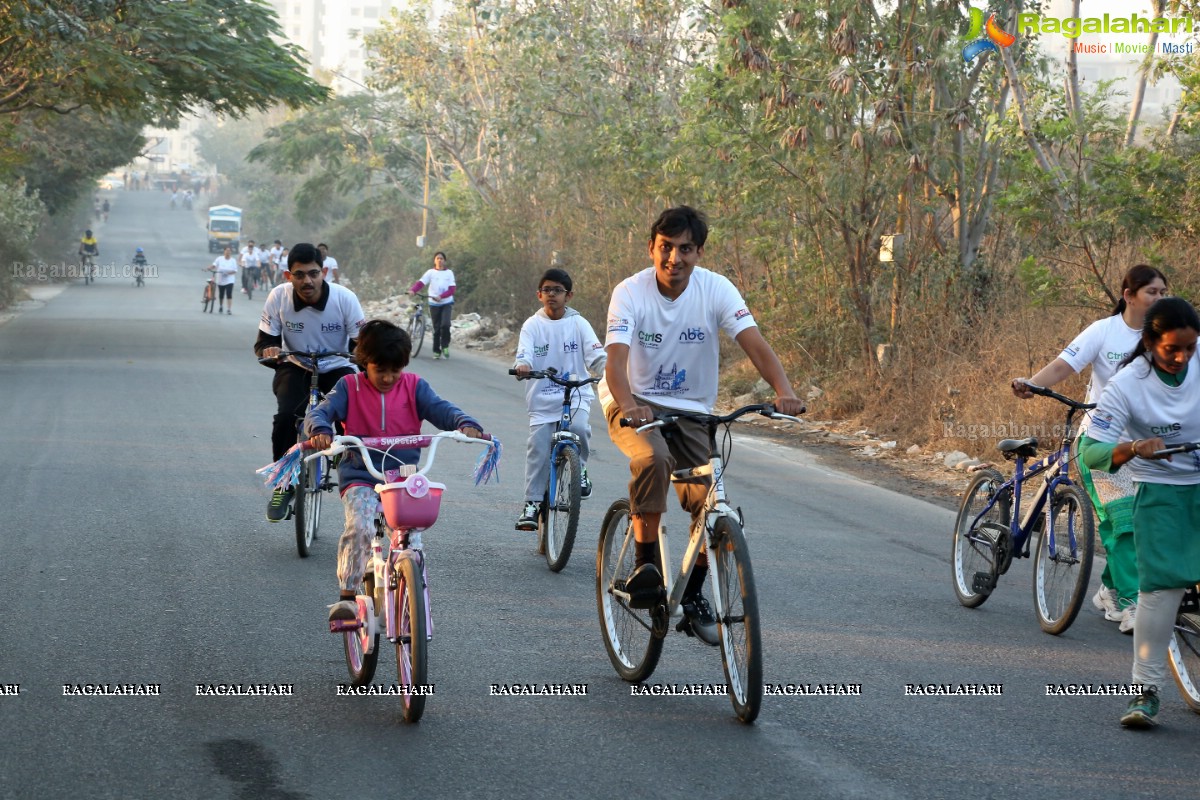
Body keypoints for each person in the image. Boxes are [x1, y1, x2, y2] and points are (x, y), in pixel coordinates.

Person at [600, 205, 804, 644]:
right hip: (632, 400)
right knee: (653, 458)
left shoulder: (717, 289)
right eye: (666, 248)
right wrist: (629, 404)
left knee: (706, 503)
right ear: (651, 248)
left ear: (700, 252)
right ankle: (645, 566)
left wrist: (783, 390)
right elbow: (615, 362)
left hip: (692, 407)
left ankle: (692, 595)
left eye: (686, 249)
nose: (675, 258)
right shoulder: (630, 292)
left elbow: (755, 344)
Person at [1011, 265, 1169, 633]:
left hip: (1151, 446)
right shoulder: (1105, 331)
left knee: (1148, 522)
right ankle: (1131, 603)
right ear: (1129, 296)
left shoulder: (1169, 334)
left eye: (1164, 293)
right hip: (1103, 441)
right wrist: (1030, 384)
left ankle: (1112, 589)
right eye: (1152, 293)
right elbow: (1064, 366)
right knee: (1124, 517)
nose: (1160, 299)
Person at [304, 319, 484, 624]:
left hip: (403, 477)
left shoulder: (414, 386)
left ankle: (408, 588)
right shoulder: (350, 386)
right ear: (365, 363)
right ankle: (347, 597)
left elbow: (442, 409)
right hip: (361, 475)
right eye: (380, 369)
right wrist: (321, 429)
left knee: (408, 538)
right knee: (360, 527)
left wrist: (464, 423)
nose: (388, 377)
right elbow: (320, 412)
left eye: (394, 370)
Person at [1079, 296, 1200, 727]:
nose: (1182, 357)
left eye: (1190, 347)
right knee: (1161, 591)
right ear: (1150, 342)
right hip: (1164, 491)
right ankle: (1145, 693)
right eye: (1172, 349)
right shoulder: (1128, 384)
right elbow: (1091, 450)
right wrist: (1132, 447)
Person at [255, 242, 366, 522]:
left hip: (337, 365)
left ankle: (348, 461)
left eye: (314, 273)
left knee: (351, 414)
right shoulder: (278, 297)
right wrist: (269, 352)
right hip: (296, 365)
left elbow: (361, 344)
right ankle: (284, 483)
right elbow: (265, 341)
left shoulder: (345, 298)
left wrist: (365, 362)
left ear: (324, 271)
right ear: (288, 276)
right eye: (300, 274)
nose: (307, 281)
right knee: (284, 417)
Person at [512, 268, 606, 530]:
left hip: (575, 393)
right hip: (542, 398)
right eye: (547, 290)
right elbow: (524, 356)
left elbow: (597, 358)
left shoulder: (579, 323)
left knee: (578, 429)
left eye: (557, 290)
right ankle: (531, 504)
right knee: (538, 450)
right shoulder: (532, 325)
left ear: (569, 296)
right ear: (539, 294)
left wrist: (611, 373)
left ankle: (581, 470)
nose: (551, 294)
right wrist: (523, 366)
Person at [410, 251, 455, 359]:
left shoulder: (449, 273)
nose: (439, 260)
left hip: (446, 302)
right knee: (437, 328)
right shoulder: (430, 272)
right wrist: (412, 290)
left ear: (445, 261)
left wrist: (441, 296)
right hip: (434, 304)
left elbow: (452, 289)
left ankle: (445, 346)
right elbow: (421, 283)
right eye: (437, 258)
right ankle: (436, 351)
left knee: (445, 325)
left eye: (441, 258)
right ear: (434, 261)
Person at [210, 246, 238, 315]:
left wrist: (228, 273)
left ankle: (229, 309)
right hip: (220, 279)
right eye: (227, 250)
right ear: (224, 251)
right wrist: (208, 268)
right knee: (221, 294)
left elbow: (235, 270)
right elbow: (214, 265)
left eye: (229, 251)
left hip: (229, 280)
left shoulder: (233, 260)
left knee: (229, 294)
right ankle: (221, 306)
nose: (228, 252)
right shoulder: (219, 259)